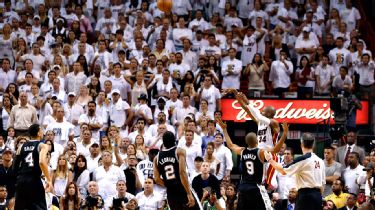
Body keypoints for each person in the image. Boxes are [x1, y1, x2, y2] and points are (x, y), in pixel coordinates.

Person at [216, 117, 288, 210]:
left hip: (243, 187)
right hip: (256, 187)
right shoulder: (261, 152)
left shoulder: (242, 151)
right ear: (257, 141)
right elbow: (276, 150)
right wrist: (284, 133)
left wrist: (224, 129)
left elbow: (230, 145)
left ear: (246, 142)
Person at [266, 133, 326, 210]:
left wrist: (270, 160)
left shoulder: (303, 159)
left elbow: (283, 171)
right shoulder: (320, 161)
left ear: (301, 144)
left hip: (305, 196)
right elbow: (323, 183)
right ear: (313, 145)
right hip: (318, 197)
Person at [154, 131, 201, 210]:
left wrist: (170, 185)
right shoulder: (179, 151)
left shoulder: (156, 158)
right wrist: (189, 193)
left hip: (171, 192)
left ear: (163, 142)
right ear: (174, 140)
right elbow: (182, 173)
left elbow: (157, 179)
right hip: (183, 188)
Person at [13, 124, 52, 209]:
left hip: (22, 180)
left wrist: (18, 179)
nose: (43, 132)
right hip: (34, 180)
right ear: (38, 133)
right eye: (41, 130)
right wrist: (49, 180)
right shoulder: (43, 145)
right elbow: (42, 162)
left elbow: (15, 165)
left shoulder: (21, 146)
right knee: (39, 207)